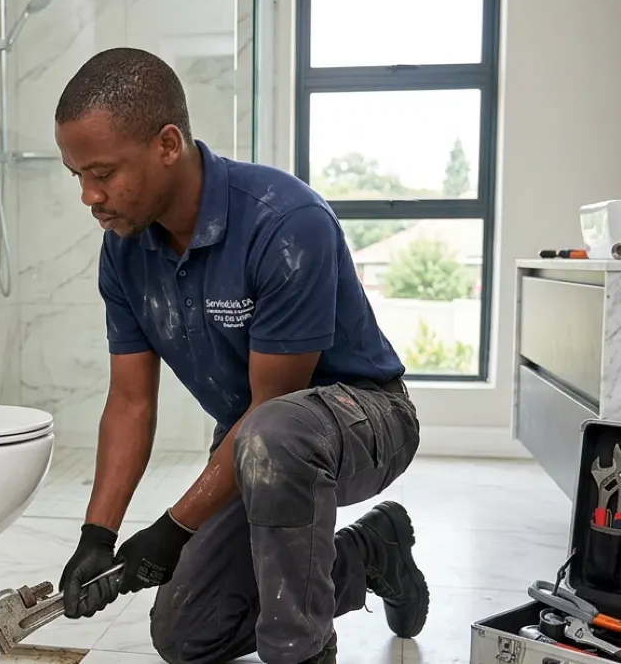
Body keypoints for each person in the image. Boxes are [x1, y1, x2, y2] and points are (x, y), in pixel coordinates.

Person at [51, 47, 428, 664]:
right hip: (259, 439)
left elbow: (273, 407)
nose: (90, 196)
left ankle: (301, 653)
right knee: (186, 634)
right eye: (78, 177)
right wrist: (99, 534)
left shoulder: (285, 222)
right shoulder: (124, 248)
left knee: (273, 436)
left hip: (365, 418)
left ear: (168, 144)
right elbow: (129, 400)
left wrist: (173, 528)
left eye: (103, 172)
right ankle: (367, 554)